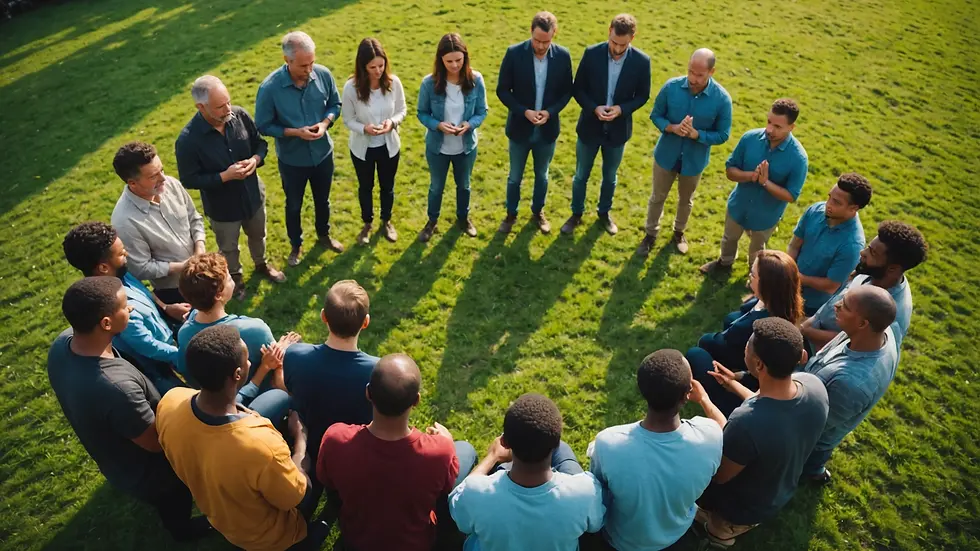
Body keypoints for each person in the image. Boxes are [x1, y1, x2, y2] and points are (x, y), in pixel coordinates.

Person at [47, 277, 211, 541]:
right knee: (175, 499)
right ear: (106, 323)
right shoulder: (115, 388)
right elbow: (156, 442)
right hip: (150, 473)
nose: (132, 309)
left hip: (114, 456)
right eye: (125, 306)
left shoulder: (62, 344)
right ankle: (182, 530)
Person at [156, 325, 326, 551]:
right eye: (247, 360)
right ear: (237, 374)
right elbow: (298, 496)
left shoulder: (171, 401)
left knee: (277, 398)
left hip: (221, 515)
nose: (248, 363)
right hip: (271, 538)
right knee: (316, 463)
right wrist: (300, 440)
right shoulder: (260, 446)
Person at [317, 354, 477, 551]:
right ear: (416, 401)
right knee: (466, 450)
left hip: (356, 541)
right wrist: (447, 443)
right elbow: (447, 484)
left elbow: (326, 479)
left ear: (368, 392)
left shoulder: (335, 439)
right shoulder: (440, 452)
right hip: (416, 544)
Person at [696, 318, 829, 547]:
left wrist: (704, 401)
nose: (745, 350)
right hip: (779, 490)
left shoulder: (746, 424)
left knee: (696, 467)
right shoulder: (813, 386)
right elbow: (768, 404)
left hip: (744, 509)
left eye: (747, 347)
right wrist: (732, 383)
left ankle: (723, 529)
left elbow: (720, 476)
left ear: (758, 365)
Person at [588, 350, 724, 551]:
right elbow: (724, 427)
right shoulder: (710, 436)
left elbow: (598, 489)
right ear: (687, 394)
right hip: (677, 536)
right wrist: (704, 399)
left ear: (642, 390)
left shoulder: (608, 443)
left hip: (621, 542)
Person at [175, 75, 285, 300]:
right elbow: (189, 179)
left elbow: (260, 144)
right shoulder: (187, 141)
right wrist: (224, 176)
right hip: (223, 209)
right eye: (220, 106)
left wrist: (255, 159)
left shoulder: (240, 116)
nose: (228, 109)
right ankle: (236, 278)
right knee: (229, 248)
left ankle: (261, 264)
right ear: (201, 107)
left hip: (253, 197)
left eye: (228, 102)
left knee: (258, 235)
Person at [449, 393, 604, 551]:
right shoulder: (585, 493)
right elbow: (596, 524)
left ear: (504, 442)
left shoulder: (475, 494)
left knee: (501, 469)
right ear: (556, 442)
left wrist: (492, 457)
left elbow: (459, 513)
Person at [62, 222, 186, 393]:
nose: (126, 253)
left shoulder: (123, 274)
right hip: (158, 369)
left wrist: (165, 308)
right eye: (121, 254)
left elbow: (144, 292)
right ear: (104, 267)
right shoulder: (116, 306)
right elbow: (146, 345)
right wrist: (179, 355)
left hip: (170, 347)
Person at [176, 254, 297, 427]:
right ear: (219, 294)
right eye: (229, 278)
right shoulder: (255, 330)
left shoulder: (184, 333)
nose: (232, 280)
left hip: (210, 405)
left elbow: (186, 370)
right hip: (249, 404)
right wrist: (282, 349)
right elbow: (275, 369)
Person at [256, 30, 344, 265]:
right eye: (304, 65)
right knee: (293, 204)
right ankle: (296, 245)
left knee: (322, 200)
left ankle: (323, 235)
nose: (309, 70)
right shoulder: (269, 89)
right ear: (287, 60)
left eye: (312, 63)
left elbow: (335, 103)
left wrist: (325, 123)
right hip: (292, 160)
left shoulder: (323, 75)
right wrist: (295, 132)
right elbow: (263, 125)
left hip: (323, 155)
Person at [561, 13, 651, 236]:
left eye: (623, 44)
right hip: (590, 126)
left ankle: (604, 213)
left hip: (618, 130)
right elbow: (577, 88)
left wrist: (621, 109)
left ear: (633, 37)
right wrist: (594, 108)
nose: (618, 49)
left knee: (610, 176)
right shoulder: (592, 54)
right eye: (614, 42)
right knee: (581, 174)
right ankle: (576, 214)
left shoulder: (642, 61)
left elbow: (642, 95)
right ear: (609, 31)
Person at [638, 48, 732, 256]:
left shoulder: (722, 99)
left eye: (699, 75)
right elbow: (655, 115)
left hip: (694, 160)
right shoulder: (671, 87)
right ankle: (650, 233)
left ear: (711, 72)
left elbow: (723, 134)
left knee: (686, 199)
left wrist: (697, 135)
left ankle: (679, 232)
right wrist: (672, 128)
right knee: (657, 196)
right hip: (666, 155)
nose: (693, 78)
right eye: (691, 72)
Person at [800, 285, 899, 483]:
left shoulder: (852, 383)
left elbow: (810, 425)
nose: (836, 305)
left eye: (844, 306)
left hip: (809, 443)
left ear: (863, 323)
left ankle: (813, 472)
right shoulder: (874, 331)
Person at [686, 250, 805, 416]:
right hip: (750, 372)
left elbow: (716, 341)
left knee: (696, 352)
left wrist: (738, 377)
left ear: (767, 286)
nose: (749, 276)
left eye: (753, 275)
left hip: (746, 394)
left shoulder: (756, 327)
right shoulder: (782, 305)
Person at [700, 99, 808, 275]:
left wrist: (765, 183)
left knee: (757, 250)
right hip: (738, 205)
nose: (770, 130)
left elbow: (791, 195)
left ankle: (754, 276)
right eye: (769, 122)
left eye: (778, 127)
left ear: (791, 127)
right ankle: (724, 263)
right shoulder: (749, 138)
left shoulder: (798, 158)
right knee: (729, 238)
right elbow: (730, 170)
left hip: (765, 216)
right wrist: (751, 176)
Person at [283, 279, 378, 473]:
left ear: (323, 317)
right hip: (351, 458)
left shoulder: (294, 355)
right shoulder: (378, 372)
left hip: (306, 447)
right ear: (366, 322)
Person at [495, 11, 574, 235]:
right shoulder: (514, 53)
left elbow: (567, 91)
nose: (540, 46)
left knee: (542, 175)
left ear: (554, 34)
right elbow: (502, 89)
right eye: (537, 40)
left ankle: (538, 212)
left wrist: (549, 112)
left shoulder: (563, 56)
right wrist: (524, 112)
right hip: (520, 127)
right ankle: (511, 214)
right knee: (514, 176)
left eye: (546, 41)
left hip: (547, 129)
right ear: (531, 32)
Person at [802, 220, 927, 351]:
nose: (863, 253)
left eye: (872, 253)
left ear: (893, 269)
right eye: (868, 247)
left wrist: (805, 331)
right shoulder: (874, 271)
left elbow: (855, 342)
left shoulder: (891, 317)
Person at [110, 141, 205, 304]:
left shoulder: (171, 184)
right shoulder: (124, 222)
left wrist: (200, 248)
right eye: (153, 176)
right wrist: (182, 267)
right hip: (176, 291)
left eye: (161, 170)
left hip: (202, 268)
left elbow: (193, 217)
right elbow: (140, 268)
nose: (163, 179)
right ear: (132, 183)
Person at [416, 32, 489, 242]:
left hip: (465, 146)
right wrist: (438, 125)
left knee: (464, 185)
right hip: (438, 147)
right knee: (436, 186)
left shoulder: (476, 80)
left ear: (465, 57)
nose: (455, 65)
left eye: (459, 60)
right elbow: (422, 113)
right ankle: (432, 221)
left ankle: (463, 218)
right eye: (449, 61)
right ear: (440, 60)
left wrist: (470, 124)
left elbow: (482, 111)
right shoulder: (429, 83)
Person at [342, 38, 407, 245]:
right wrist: (365, 129)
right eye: (373, 67)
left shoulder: (393, 83)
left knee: (387, 186)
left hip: (389, 146)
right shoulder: (351, 88)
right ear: (363, 67)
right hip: (363, 148)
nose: (378, 70)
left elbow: (402, 110)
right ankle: (367, 223)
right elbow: (348, 119)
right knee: (365, 186)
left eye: (381, 65)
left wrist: (392, 123)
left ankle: (386, 221)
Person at [788, 173, 871, 315]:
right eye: (829, 197)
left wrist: (797, 277)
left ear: (853, 208)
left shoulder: (852, 245)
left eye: (837, 202)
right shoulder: (815, 211)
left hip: (810, 305)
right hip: (787, 284)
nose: (828, 204)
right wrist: (787, 269)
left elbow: (831, 285)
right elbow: (794, 245)